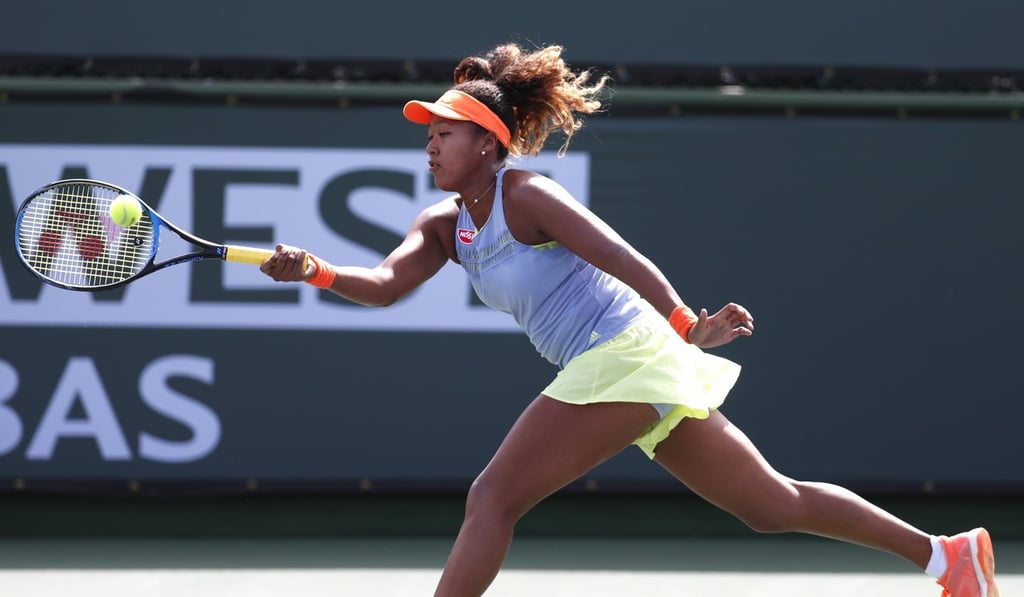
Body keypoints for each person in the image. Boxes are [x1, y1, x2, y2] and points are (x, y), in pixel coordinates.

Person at [259, 42, 999, 597]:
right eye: (427, 133)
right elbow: (386, 284)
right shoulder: (439, 225)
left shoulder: (528, 194)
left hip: (625, 350)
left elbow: (620, 255)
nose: (430, 143)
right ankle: (947, 555)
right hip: (618, 366)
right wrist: (313, 269)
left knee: (492, 495)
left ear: (487, 141)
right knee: (772, 505)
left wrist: (683, 321)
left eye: (444, 132)